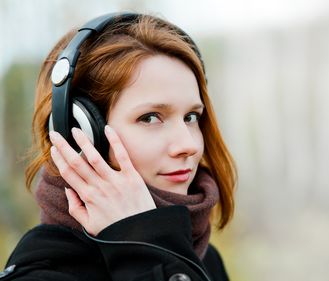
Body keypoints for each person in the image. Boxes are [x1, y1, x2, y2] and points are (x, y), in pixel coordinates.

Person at [1, 12, 236, 281]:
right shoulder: (41, 276)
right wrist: (143, 244)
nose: (188, 145)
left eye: (191, 117)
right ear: (79, 132)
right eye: (150, 118)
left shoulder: (205, 260)